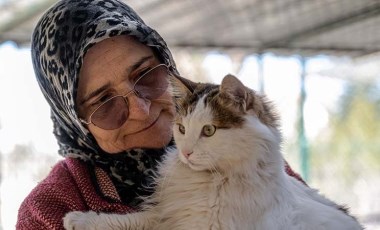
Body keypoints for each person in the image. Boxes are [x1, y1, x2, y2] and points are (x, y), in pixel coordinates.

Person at [16, 0, 305, 229]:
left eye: (146, 76)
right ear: (75, 123)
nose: (141, 111)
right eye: (105, 103)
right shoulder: (49, 210)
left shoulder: (251, 161)